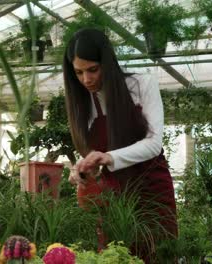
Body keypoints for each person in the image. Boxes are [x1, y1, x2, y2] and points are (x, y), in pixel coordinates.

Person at [63, 28, 177, 263]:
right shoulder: (83, 104)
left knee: (158, 253)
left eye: (93, 69)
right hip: (112, 199)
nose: (87, 79)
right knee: (116, 256)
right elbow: (91, 158)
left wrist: (108, 157)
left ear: (107, 62)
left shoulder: (142, 84)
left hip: (151, 190)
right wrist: (82, 169)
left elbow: (154, 143)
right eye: (79, 72)